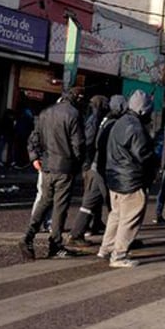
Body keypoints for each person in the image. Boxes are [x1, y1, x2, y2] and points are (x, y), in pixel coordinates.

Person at [19, 88, 85, 260]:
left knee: (44, 202)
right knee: (60, 207)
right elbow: (78, 145)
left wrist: (35, 157)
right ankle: (55, 244)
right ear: (76, 99)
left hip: (47, 165)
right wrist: (77, 164)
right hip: (64, 167)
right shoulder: (73, 114)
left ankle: (28, 236)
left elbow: (34, 139)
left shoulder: (45, 113)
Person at [98, 90, 157, 268]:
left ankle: (106, 248)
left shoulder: (120, 122)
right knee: (129, 218)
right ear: (144, 110)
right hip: (130, 179)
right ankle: (119, 255)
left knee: (115, 215)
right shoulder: (136, 127)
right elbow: (144, 155)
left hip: (114, 177)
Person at [65, 95, 109, 248]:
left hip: (91, 165)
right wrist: (89, 162)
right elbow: (89, 142)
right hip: (92, 165)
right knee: (97, 198)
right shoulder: (95, 120)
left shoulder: (94, 118)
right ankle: (84, 231)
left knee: (93, 198)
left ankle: (93, 225)